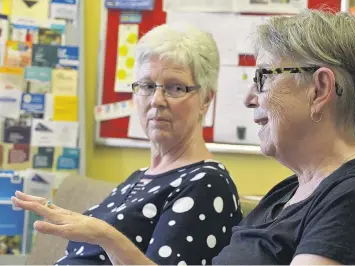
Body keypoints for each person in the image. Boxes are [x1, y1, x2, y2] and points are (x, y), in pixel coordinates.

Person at [12, 9, 355, 265]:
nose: (251, 96)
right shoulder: (287, 192)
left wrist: (107, 238)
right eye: (146, 87)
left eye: (263, 77)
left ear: (321, 90)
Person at [12, 23, 243, 265]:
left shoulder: (207, 182)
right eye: (147, 86)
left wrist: (105, 236)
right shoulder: (139, 177)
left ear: (206, 99)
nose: (156, 100)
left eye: (175, 88)